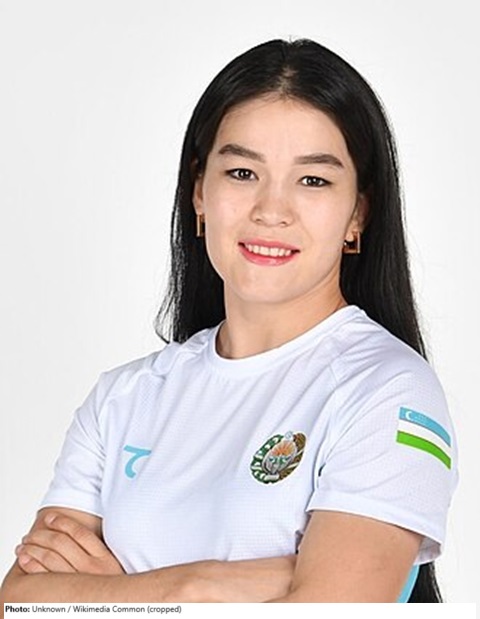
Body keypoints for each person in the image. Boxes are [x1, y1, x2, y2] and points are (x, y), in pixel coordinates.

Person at [0, 38, 457, 603]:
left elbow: (333, 609)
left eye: (313, 180)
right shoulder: (123, 399)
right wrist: (202, 585)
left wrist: (113, 593)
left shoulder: (386, 390)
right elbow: (20, 601)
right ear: (199, 192)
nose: (271, 210)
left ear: (357, 214)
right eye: (242, 172)